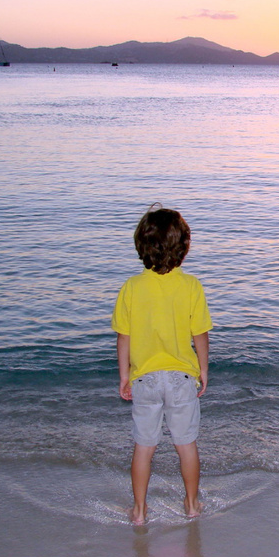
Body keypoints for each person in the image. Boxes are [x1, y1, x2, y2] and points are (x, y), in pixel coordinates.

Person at [112, 204, 212, 523]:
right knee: (186, 445)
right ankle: (192, 503)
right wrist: (203, 372)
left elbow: (123, 337)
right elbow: (200, 335)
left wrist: (124, 376)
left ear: (141, 245)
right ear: (184, 246)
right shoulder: (191, 285)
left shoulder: (131, 287)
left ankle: (140, 511)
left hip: (145, 380)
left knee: (144, 447)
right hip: (182, 377)